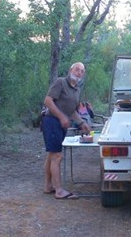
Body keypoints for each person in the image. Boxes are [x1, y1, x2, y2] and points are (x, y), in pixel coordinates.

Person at [42, 62, 91, 199]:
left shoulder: (76, 90)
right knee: (57, 156)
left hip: (61, 124)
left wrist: (82, 122)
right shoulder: (61, 82)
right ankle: (59, 190)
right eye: (77, 69)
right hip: (51, 121)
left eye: (82, 71)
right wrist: (61, 117)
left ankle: (47, 186)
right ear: (70, 70)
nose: (79, 72)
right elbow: (48, 101)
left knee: (52, 155)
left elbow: (72, 111)